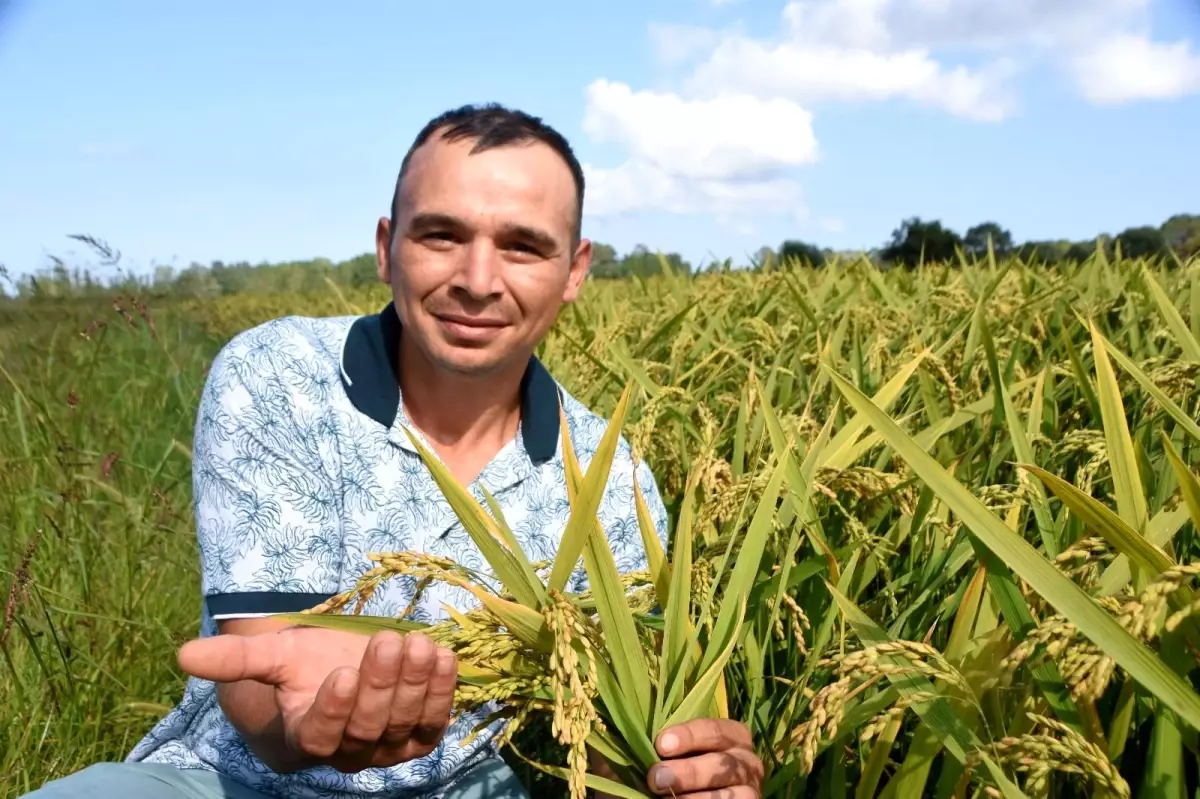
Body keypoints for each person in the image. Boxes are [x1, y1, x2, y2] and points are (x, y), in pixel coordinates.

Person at [24, 103, 765, 799]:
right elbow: (261, 694)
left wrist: (673, 768)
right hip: (239, 780)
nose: (477, 282)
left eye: (521, 246)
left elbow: (600, 734)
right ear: (387, 248)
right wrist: (302, 719)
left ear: (574, 271)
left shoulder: (611, 479)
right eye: (441, 235)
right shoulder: (280, 376)